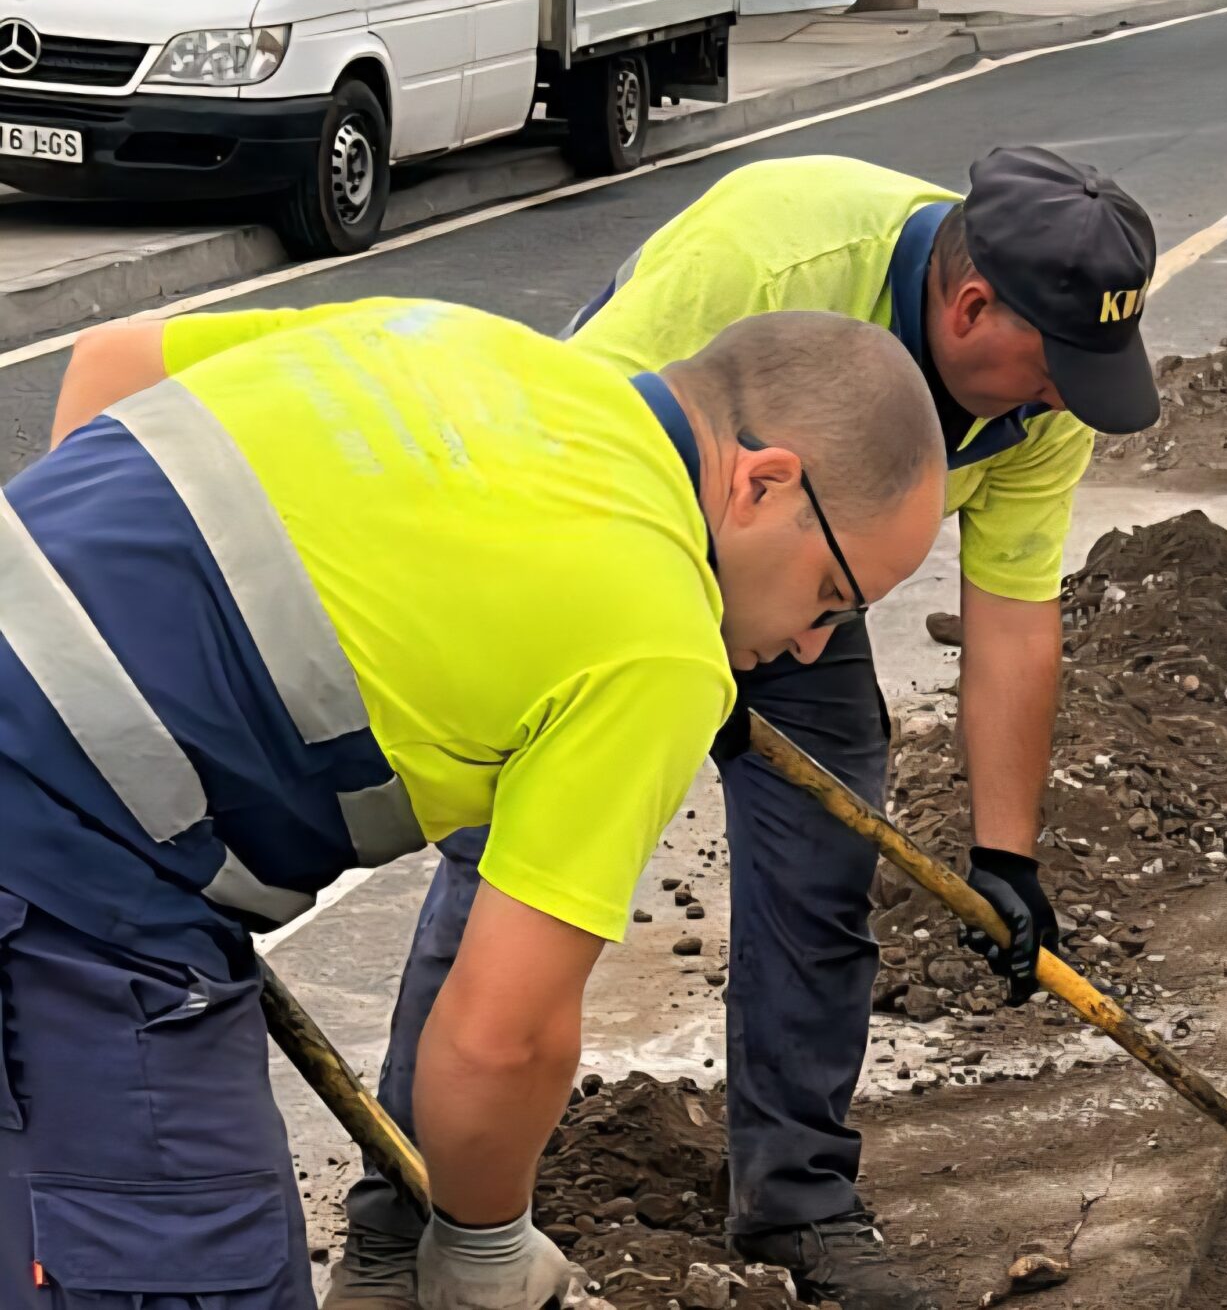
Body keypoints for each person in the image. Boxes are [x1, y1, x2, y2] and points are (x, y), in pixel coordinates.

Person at [334, 148, 1161, 1310]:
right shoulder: (778, 250)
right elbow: (572, 446)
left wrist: (1005, 852)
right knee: (509, 876)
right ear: (972, 306)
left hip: (807, 584)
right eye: (1053, 369)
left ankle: (799, 1199)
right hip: (617, 541)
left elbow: (1013, 617)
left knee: (826, 869)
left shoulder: (1043, 399)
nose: (1064, 396)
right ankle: (398, 1212)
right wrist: (664, 657)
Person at [0, 299, 947, 1309]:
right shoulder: (661, 640)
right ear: (761, 482)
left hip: (65, 836)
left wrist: (90, 640)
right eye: (833, 599)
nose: (812, 647)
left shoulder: (450, 335)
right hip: (68, 880)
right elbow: (502, 1035)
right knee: (194, 1267)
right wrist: (483, 1239)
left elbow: (114, 359)